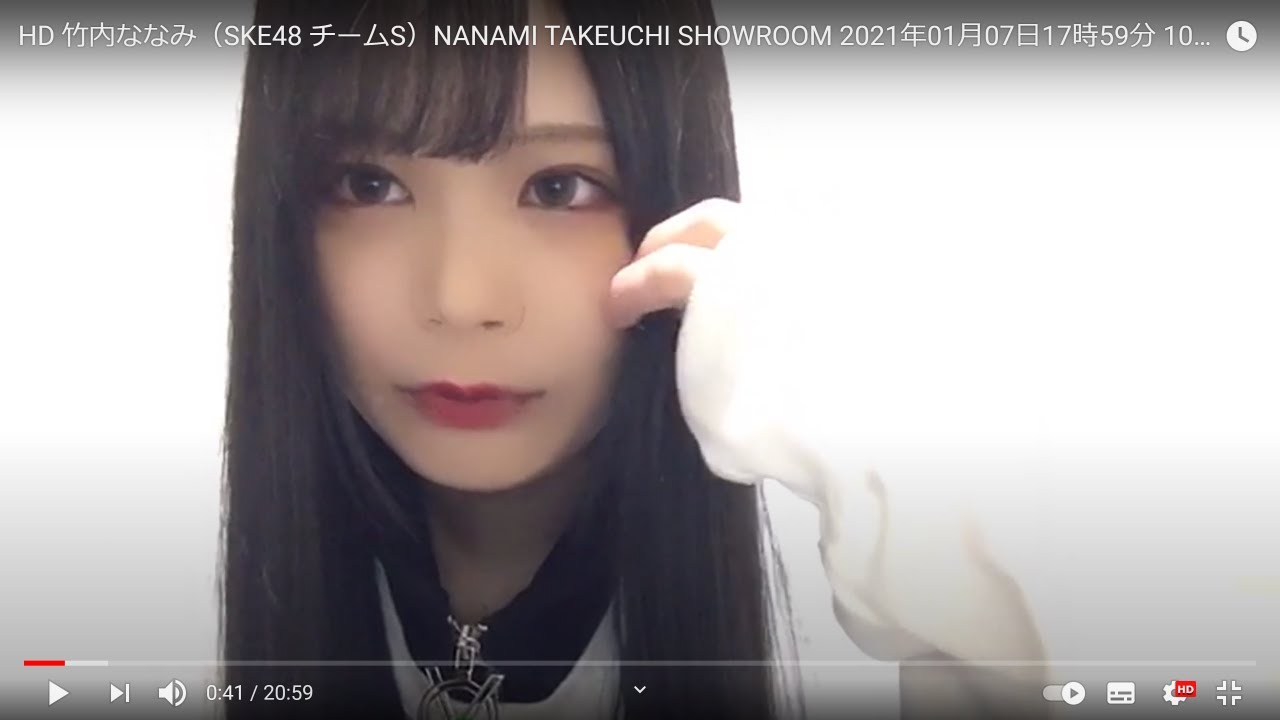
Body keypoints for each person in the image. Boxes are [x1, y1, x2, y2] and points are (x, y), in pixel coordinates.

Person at [221, 1, 1047, 718]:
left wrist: (905, 504)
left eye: (558, 188)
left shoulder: (842, 587)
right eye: (369, 186)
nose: (462, 297)